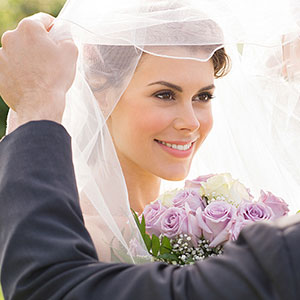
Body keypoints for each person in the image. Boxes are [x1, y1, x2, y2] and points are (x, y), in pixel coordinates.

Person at [1, 6, 300, 300]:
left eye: (203, 96)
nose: (191, 122)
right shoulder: (79, 236)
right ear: (102, 95)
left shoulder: (215, 214)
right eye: (165, 95)